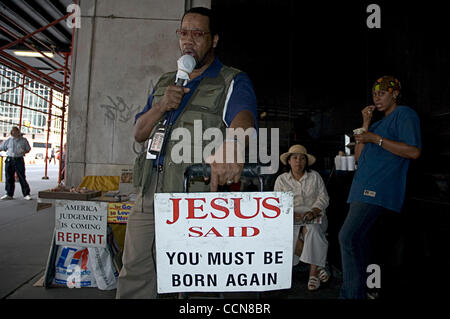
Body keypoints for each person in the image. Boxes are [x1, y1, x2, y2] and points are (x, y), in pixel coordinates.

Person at [116, 7, 257, 298]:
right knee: (134, 269)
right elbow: (139, 132)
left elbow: (244, 118)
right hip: (149, 191)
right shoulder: (165, 81)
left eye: (197, 33)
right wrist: (161, 106)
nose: (188, 40)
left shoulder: (232, 80)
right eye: (183, 33)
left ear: (214, 39)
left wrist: (233, 145)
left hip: (195, 197)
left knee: (195, 279)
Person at [338, 76, 422, 299]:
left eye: (382, 93)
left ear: (394, 94)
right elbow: (358, 158)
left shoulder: (404, 114)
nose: (377, 97)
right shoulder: (375, 124)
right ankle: (360, 292)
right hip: (360, 188)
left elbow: (413, 151)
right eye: (375, 94)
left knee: (347, 238)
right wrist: (365, 124)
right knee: (358, 243)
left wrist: (376, 139)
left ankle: (350, 295)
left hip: (377, 189)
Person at [274, 144, 330, 291]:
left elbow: (323, 197)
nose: (298, 161)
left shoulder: (315, 177)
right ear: (289, 161)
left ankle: (312, 274)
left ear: (306, 161)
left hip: (314, 215)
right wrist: (290, 214)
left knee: (312, 230)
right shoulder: (281, 180)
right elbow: (277, 202)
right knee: (288, 235)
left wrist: (315, 210)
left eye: (302, 158)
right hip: (290, 217)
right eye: (295, 158)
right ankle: (318, 266)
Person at [0, 126, 32, 200]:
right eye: (12, 131)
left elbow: (28, 149)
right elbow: (2, 147)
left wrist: (24, 151)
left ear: (18, 132)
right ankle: (9, 193)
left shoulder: (23, 140)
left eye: (15, 131)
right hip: (9, 159)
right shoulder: (8, 140)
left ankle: (26, 194)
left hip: (19, 159)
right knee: (9, 177)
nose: (13, 132)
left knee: (21, 177)